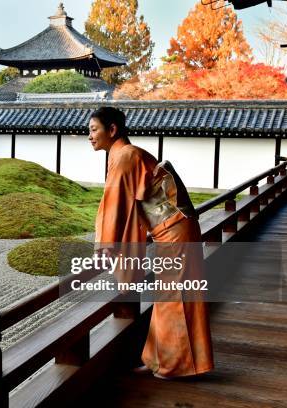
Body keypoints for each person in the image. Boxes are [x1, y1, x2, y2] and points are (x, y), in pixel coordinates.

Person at [89, 106, 214, 379]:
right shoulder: (127, 154)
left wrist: (105, 244)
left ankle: (174, 365)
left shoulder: (125, 156)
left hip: (173, 231)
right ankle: (159, 359)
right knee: (168, 298)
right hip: (173, 228)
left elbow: (115, 205)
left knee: (173, 299)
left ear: (112, 130)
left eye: (94, 129)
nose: (90, 136)